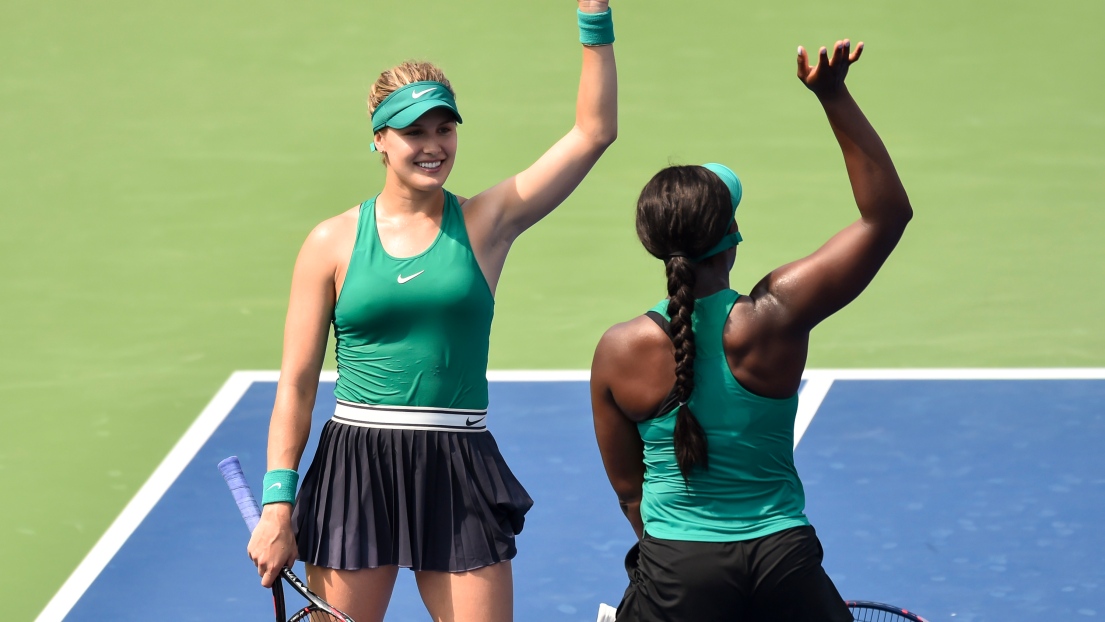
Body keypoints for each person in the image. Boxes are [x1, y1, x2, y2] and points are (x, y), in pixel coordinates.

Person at [245, 3, 617, 621]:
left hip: (457, 463)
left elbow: (592, 133)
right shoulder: (331, 244)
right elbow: (297, 386)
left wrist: (594, 17)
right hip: (355, 466)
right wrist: (277, 505)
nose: (433, 145)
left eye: (444, 129)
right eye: (415, 132)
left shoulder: (486, 225)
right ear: (379, 139)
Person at [590, 40, 911, 622]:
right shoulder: (775, 316)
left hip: (677, 572)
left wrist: (676, 567)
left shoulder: (618, 350)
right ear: (732, 235)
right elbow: (886, 217)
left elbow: (629, 491)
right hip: (782, 563)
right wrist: (832, 95)